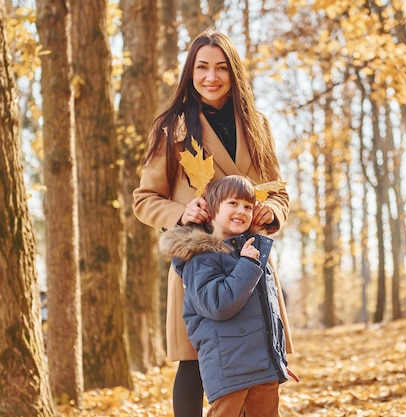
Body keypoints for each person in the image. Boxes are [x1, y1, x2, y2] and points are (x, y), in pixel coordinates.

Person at [133, 27, 293, 416]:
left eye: (221, 68)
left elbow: (278, 191)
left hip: (249, 259)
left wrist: (271, 211)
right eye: (202, 67)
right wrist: (179, 213)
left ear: (233, 73)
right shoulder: (172, 127)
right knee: (193, 363)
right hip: (199, 259)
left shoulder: (258, 124)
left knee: (257, 362)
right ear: (190, 72)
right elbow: (144, 200)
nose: (211, 77)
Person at [158, 175, 289, 417]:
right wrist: (248, 266)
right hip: (229, 369)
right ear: (211, 210)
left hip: (262, 368)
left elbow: (268, 314)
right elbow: (217, 304)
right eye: (233, 203)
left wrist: (276, 357)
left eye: (248, 206)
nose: (242, 211)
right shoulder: (201, 257)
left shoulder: (251, 250)